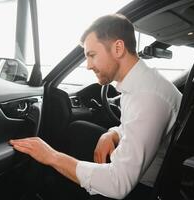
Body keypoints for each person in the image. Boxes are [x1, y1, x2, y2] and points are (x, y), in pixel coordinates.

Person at [9, 14, 182, 199]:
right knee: (78, 131)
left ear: (118, 48)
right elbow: (134, 125)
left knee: (59, 165)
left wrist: (52, 156)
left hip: (144, 186)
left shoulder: (148, 96)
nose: (88, 66)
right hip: (143, 170)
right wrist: (113, 134)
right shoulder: (140, 84)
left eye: (92, 55)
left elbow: (119, 184)